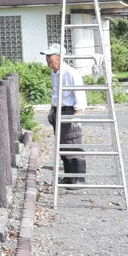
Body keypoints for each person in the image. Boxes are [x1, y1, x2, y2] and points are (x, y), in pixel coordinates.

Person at [42, 43, 87, 184]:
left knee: (73, 143)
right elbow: (56, 95)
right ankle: (69, 176)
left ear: (59, 57)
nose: (47, 59)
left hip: (69, 111)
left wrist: (77, 115)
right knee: (62, 145)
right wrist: (52, 110)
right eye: (47, 56)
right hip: (58, 110)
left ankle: (78, 178)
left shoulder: (71, 73)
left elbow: (79, 95)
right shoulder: (55, 74)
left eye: (50, 56)